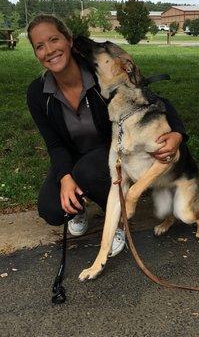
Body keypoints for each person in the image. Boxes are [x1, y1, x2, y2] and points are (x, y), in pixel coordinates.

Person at [27, 14, 186, 257]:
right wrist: (65, 177)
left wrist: (178, 133)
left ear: (68, 40)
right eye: (40, 46)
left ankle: (119, 222)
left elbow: (151, 99)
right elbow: (55, 144)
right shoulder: (38, 93)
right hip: (72, 156)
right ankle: (79, 205)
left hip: (107, 150)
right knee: (51, 209)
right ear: (36, 53)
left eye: (54, 39)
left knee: (88, 172)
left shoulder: (100, 74)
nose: (49, 50)